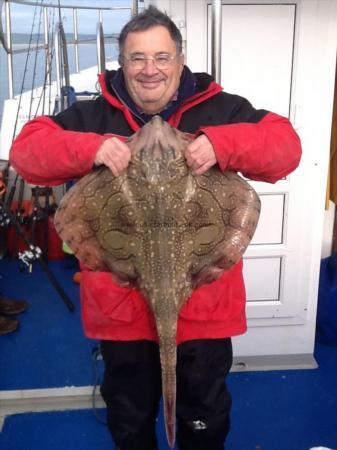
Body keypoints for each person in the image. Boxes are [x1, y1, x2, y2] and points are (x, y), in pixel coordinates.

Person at [9, 6, 301, 450]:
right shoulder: (91, 115)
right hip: (121, 307)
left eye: (162, 57)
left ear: (180, 61)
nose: (150, 69)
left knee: (204, 413)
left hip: (204, 305)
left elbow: (286, 148)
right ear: (121, 64)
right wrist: (92, 148)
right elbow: (27, 152)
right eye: (137, 58)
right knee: (129, 414)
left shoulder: (223, 110)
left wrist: (224, 143)